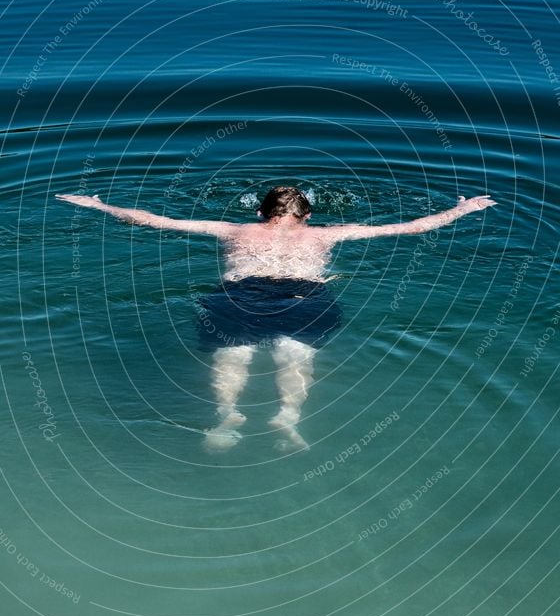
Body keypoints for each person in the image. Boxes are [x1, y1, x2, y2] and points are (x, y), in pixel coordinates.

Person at [56, 186, 496, 452]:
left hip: (241, 294)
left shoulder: (233, 231)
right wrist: (461, 209)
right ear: (308, 216)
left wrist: (99, 205)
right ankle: (288, 416)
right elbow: (410, 228)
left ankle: (226, 416)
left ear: (261, 213)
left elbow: (156, 221)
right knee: (295, 356)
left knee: (233, 357)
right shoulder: (329, 234)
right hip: (305, 295)